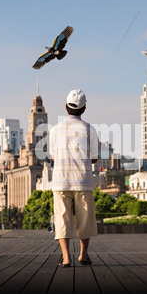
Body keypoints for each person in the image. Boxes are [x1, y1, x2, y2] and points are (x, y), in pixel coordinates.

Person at [49, 89, 100, 267]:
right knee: (85, 220)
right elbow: (94, 157)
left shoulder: (55, 129)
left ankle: (65, 258)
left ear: (66, 107)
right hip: (83, 181)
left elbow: (53, 156)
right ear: (84, 109)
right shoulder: (89, 129)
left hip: (60, 181)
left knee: (62, 219)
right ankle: (83, 256)